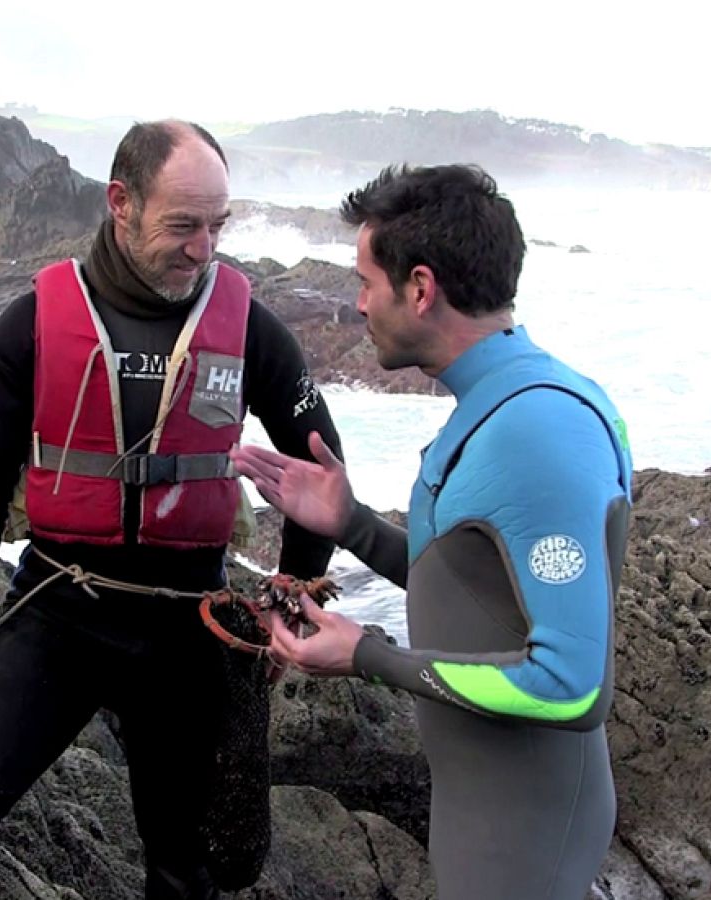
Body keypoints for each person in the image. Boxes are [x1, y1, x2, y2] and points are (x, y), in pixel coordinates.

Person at [0, 120, 343, 900]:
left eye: (218, 227)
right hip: (61, 606)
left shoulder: (249, 328)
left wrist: (287, 601)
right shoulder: (31, 323)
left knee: (185, 867)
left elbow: (323, 475)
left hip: (190, 621)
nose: (205, 250)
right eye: (183, 226)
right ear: (121, 203)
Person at [229, 164, 633, 900]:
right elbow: (476, 595)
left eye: (365, 281)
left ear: (420, 287)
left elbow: (575, 689)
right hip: (485, 812)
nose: (357, 304)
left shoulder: (541, 428)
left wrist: (368, 656)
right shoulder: (499, 405)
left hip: (524, 833)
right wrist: (350, 525)